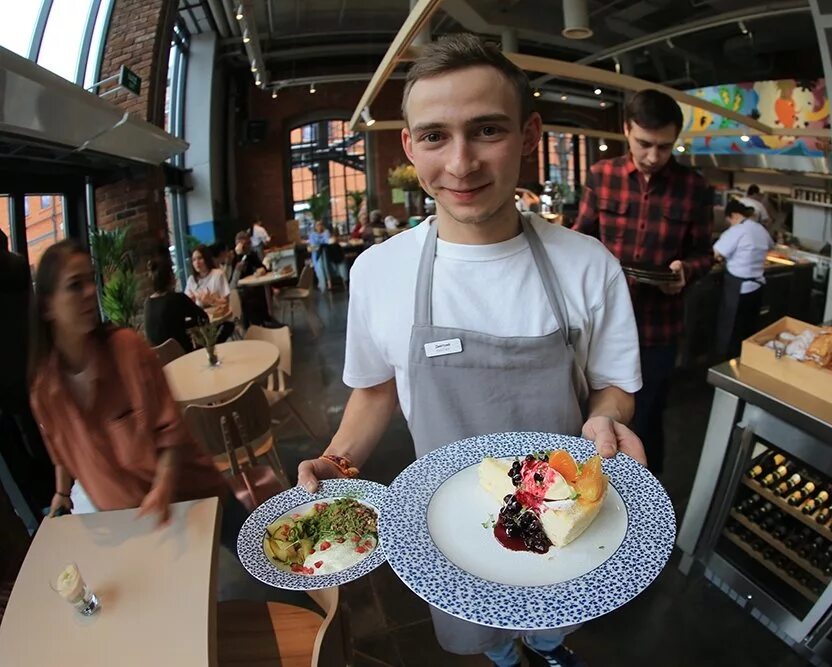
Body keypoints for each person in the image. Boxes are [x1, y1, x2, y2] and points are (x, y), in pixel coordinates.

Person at [296, 34, 644, 667]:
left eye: (487, 130)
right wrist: (336, 459)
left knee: (551, 620)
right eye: (434, 136)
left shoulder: (589, 266)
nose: (460, 164)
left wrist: (607, 418)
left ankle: (542, 644)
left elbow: (613, 386)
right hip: (449, 531)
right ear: (408, 144)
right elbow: (375, 388)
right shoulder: (381, 271)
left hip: (565, 512)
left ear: (530, 134)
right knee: (481, 638)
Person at [27, 241, 245, 547]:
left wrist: (163, 486)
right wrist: (62, 494)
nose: (90, 291)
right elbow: (63, 451)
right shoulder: (45, 392)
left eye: (91, 280)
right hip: (127, 524)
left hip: (192, 493)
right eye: (75, 286)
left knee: (257, 552)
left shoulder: (126, 350)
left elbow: (172, 433)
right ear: (48, 305)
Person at [574, 88, 714, 475]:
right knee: (593, 417)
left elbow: (706, 254)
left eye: (665, 147)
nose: (653, 157)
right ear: (626, 130)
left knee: (648, 419)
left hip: (657, 328)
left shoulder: (695, 188)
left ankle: (646, 503)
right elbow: (579, 239)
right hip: (598, 325)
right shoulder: (602, 176)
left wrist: (687, 271)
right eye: (644, 144)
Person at [0, 229, 53, 524]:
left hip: (4, 376)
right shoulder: (18, 266)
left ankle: (41, 502)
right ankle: (57, 486)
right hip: (27, 361)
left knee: (17, 446)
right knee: (37, 429)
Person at [713, 199, 773, 360]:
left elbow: (716, 254)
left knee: (731, 331)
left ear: (732, 215)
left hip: (738, 289)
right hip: (758, 287)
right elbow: (770, 246)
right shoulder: (760, 229)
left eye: (728, 220)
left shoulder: (737, 231)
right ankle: (745, 362)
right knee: (749, 331)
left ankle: (726, 366)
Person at [144, 255, 210, 353]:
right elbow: (203, 318)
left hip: (161, 362)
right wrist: (185, 325)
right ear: (171, 277)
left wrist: (180, 324)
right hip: (182, 356)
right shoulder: (177, 298)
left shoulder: (147, 303)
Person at [231, 230, 273, 327]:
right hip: (238, 288)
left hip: (250, 284)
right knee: (250, 297)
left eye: (249, 243)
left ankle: (265, 319)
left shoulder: (250, 254)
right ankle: (256, 323)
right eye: (245, 244)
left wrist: (262, 269)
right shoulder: (233, 257)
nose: (248, 246)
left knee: (263, 290)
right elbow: (232, 279)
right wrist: (238, 254)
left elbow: (261, 266)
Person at [308, 220, 332, 292]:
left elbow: (328, 242)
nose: (319, 226)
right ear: (315, 226)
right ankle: (325, 281)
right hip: (317, 255)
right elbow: (313, 246)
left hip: (326, 254)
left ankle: (327, 281)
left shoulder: (326, 232)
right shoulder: (312, 235)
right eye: (318, 225)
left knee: (324, 257)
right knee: (321, 258)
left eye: (321, 224)